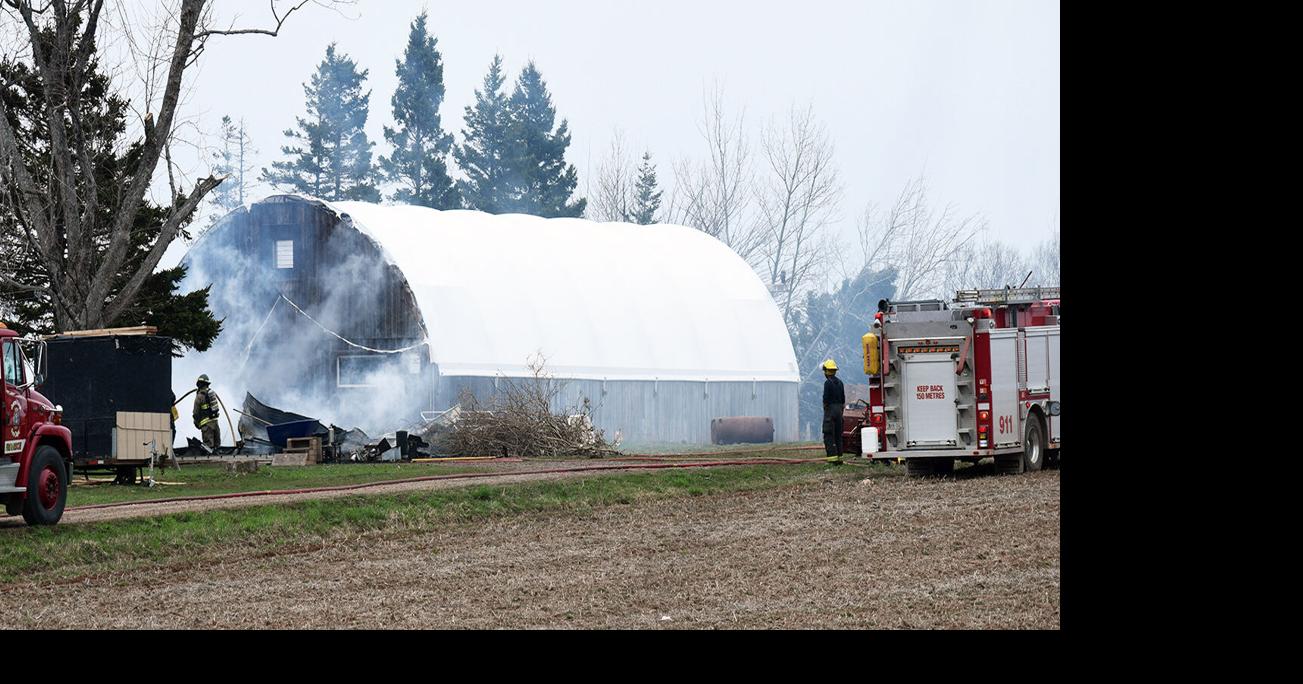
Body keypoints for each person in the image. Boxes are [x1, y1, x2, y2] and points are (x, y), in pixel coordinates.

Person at [821, 359, 845, 457]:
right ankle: (839, 456)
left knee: (829, 434)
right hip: (839, 411)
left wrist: (825, 408)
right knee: (838, 434)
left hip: (830, 411)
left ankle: (832, 458)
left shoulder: (827, 383)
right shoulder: (840, 382)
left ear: (826, 371)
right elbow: (843, 399)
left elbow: (825, 399)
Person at [193, 374, 221, 452]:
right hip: (215, 423)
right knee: (217, 447)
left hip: (207, 427)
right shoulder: (211, 393)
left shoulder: (200, 396)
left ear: (199, 384)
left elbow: (195, 413)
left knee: (208, 449)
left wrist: (196, 423)